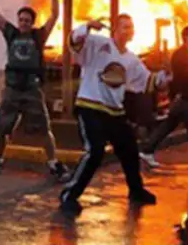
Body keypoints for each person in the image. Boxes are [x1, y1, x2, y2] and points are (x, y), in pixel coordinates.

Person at [59, 14, 165, 215]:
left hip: (114, 111)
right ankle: (69, 195)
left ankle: (136, 191)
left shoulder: (132, 60)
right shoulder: (97, 44)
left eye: (131, 27)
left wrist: (164, 77)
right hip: (90, 106)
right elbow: (74, 41)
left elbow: (147, 83)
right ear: (114, 29)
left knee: (130, 149)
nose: (128, 30)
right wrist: (88, 25)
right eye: (124, 26)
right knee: (95, 151)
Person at [0, 0, 67, 180]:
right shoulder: (11, 34)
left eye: (27, 21)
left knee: (44, 129)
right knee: (3, 127)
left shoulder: (38, 36)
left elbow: (54, 16)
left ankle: (53, 162)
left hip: (32, 90)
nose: (23, 23)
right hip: (12, 89)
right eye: (21, 19)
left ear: (32, 23)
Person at [138, 26, 188, 173]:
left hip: (180, 99)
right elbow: (180, 78)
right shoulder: (181, 55)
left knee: (168, 126)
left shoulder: (184, 54)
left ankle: (147, 150)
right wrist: (179, 95)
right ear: (187, 37)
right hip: (181, 99)